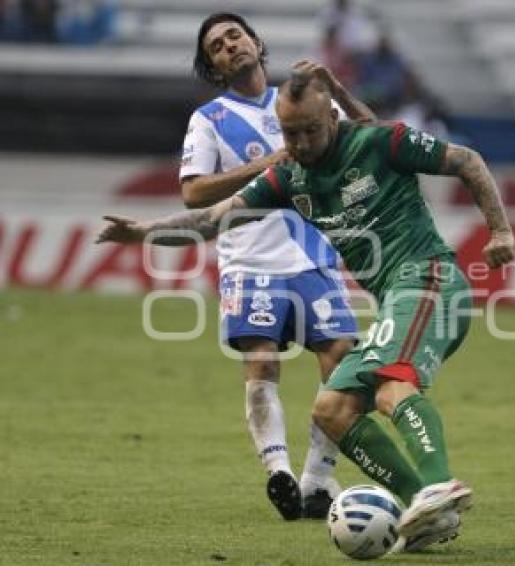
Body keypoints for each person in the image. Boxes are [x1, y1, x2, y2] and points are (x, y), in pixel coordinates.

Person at [97, 67, 515, 552]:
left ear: (330, 120)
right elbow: (212, 220)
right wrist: (144, 231)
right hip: (398, 298)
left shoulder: (379, 142)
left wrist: (500, 231)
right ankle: (426, 512)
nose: (300, 143)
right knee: (331, 409)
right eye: (289, 133)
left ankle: (439, 483)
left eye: (310, 130)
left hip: (429, 280)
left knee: (389, 381)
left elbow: (467, 160)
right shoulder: (288, 177)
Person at [182, 13, 377, 521]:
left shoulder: (304, 97)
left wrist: (336, 86)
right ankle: (279, 472)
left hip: (315, 254)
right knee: (263, 360)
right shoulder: (210, 119)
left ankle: (315, 479)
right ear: (213, 66)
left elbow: (368, 132)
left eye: (235, 36)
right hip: (250, 260)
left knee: (341, 356)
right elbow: (193, 191)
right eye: (217, 47)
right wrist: (265, 165)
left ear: (256, 41)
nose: (230, 47)